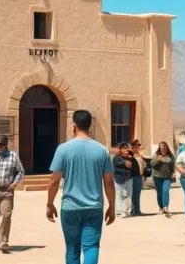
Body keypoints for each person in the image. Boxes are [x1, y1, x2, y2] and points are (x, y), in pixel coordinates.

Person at [46, 109, 116, 264]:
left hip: (70, 207)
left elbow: (54, 180)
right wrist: (112, 205)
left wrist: (50, 204)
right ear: (89, 126)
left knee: (72, 249)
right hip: (94, 207)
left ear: (73, 126)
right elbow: (109, 181)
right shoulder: (102, 150)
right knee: (91, 246)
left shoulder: (63, 149)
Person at [150, 141, 175, 217]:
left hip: (167, 177)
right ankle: (161, 207)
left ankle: (165, 207)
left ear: (166, 147)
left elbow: (173, 165)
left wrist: (173, 173)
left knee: (165, 191)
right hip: (157, 177)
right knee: (159, 192)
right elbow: (152, 164)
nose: (163, 148)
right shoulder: (156, 155)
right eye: (161, 147)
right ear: (159, 148)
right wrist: (157, 160)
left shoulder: (170, 156)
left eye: (164, 147)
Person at [111, 143, 134, 217]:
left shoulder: (131, 158)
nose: (126, 149)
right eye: (124, 148)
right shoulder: (116, 158)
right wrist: (124, 163)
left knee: (128, 195)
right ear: (120, 149)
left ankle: (126, 210)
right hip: (118, 179)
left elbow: (134, 167)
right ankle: (119, 211)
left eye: (127, 148)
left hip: (128, 178)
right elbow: (116, 166)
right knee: (119, 194)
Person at [129, 140, 145, 216]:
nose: (137, 148)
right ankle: (136, 210)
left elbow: (143, 165)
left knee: (137, 193)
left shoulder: (140, 155)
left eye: (138, 147)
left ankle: (135, 209)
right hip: (134, 176)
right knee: (135, 194)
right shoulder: (131, 156)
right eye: (135, 147)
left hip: (140, 176)